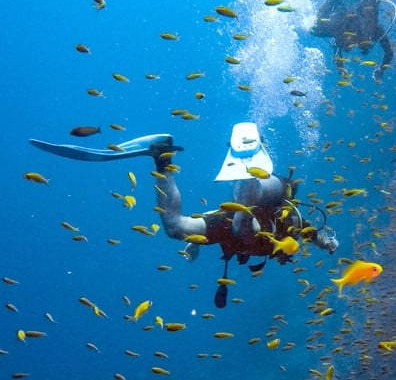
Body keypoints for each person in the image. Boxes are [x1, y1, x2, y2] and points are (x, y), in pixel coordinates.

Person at [29, 122, 339, 307]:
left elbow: (221, 215)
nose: (285, 259)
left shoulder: (270, 242)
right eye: (287, 257)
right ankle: (250, 175)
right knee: (245, 226)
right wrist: (326, 242)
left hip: (235, 222)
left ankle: (161, 156)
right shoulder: (293, 229)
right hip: (257, 214)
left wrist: (193, 240)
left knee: (175, 227)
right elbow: (310, 231)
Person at [310, 0, 396, 81]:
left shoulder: (344, 35)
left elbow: (337, 49)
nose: (350, 44)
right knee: (370, 11)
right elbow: (389, 52)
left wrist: (340, 68)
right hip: (355, 9)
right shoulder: (374, 31)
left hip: (346, 10)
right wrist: (381, 69)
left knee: (314, 28)